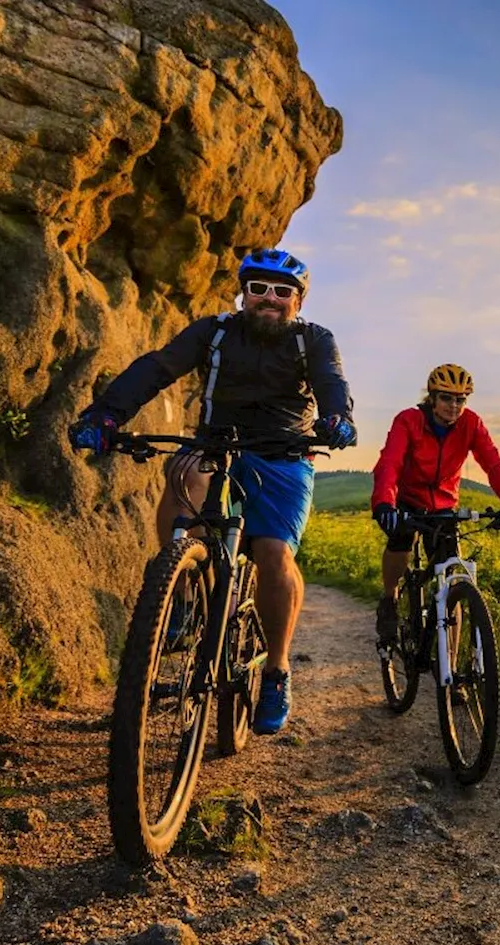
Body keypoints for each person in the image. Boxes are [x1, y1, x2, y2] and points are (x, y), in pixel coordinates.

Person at [67, 248, 356, 735]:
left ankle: (277, 670)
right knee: (183, 474)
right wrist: (106, 414)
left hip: (284, 456)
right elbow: (157, 369)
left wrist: (337, 418)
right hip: (218, 444)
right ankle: (179, 588)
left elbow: (330, 381)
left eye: (282, 291)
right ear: (242, 293)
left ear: (298, 301)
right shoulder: (215, 331)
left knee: (272, 554)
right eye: (258, 288)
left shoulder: (314, 340)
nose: (270, 299)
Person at [370, 363, 500, 640]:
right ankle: (390, 599)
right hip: (408, 499)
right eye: (446, 397)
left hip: (444, 506)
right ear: (432, 398)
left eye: (460, 399)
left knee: (452, 580)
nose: (454, 406)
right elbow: (390, 463)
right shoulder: (409, 420)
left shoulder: (471, 424)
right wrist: (384, 503)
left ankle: (453, 674)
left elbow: (494, 466)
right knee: (400, 541)